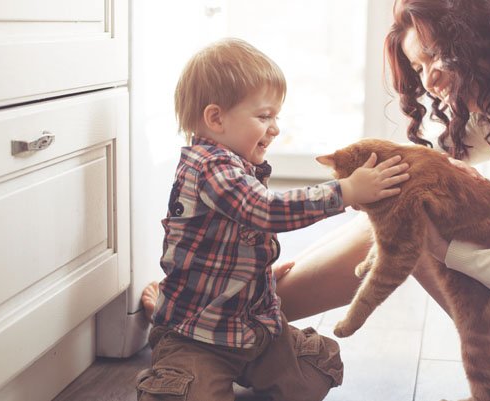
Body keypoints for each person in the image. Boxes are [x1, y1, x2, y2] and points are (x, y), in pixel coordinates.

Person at [143, 1, 490, 399]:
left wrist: (447, 251)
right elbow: (427, 163)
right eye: (419, 69)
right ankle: (243, 311)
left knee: (404, 213)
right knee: (398, 193)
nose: (432, 82)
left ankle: (216, 321)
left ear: (475, 43)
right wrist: (288, 265)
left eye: (434, 60)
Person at [136, 38, 411, 401]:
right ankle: (173, 339)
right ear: (215, 118)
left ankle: (204, 345)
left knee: (316, 373)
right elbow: (265, 210)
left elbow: (236, 242)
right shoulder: (210, 167)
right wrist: (344, 191)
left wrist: (258, 280)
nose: (276, 128)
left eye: (276, 116)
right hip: (198, 336)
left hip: (251, 330)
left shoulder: (237, 164)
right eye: (264, 116)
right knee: (187, 393)